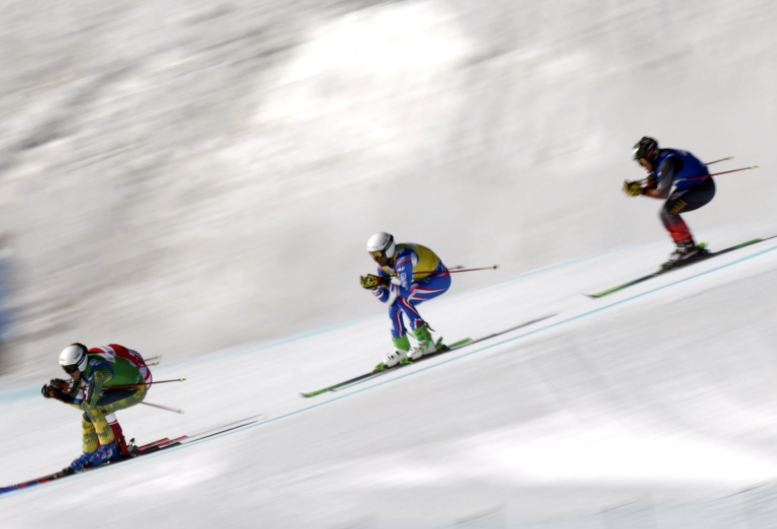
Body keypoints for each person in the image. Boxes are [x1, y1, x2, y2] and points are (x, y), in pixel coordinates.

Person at [41, 343, 152, 471]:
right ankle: (89, 454)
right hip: (124, 381)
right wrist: (63, 388)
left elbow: (89, 405)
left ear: (81, 363)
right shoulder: (85, 365)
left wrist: (60, 396)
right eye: (65, 369)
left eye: (71, 368)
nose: (68, 372)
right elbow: (76, 389)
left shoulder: (98, 373)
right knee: (87, 416)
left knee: (96, 409)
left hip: (136, 389)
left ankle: (109, 448)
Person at [360, 232, 451, 369]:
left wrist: (383, 282)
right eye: (372, 255)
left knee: (403, 301)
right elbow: (384, 298)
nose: (376, 259)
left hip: (439, 279)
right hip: (422, 280)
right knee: (393, 308)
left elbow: (404, 291)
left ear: (388, 249)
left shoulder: (404, 258)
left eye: (378, 255)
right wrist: (375, 287)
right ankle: (401, 349)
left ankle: (426, 342)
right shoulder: (383, 265)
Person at [624, 137, 716, 268]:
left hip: (703, 189)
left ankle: (688, 249)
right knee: (664, 213)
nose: (641, 165)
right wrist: (638, 187)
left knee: (669, 212)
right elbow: (654, 186)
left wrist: (640, 191)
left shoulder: (667, 162)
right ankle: (686, 247)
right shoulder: (658, 161)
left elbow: (662, 193)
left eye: (641, 161)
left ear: (648, 156)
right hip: (690, 187)